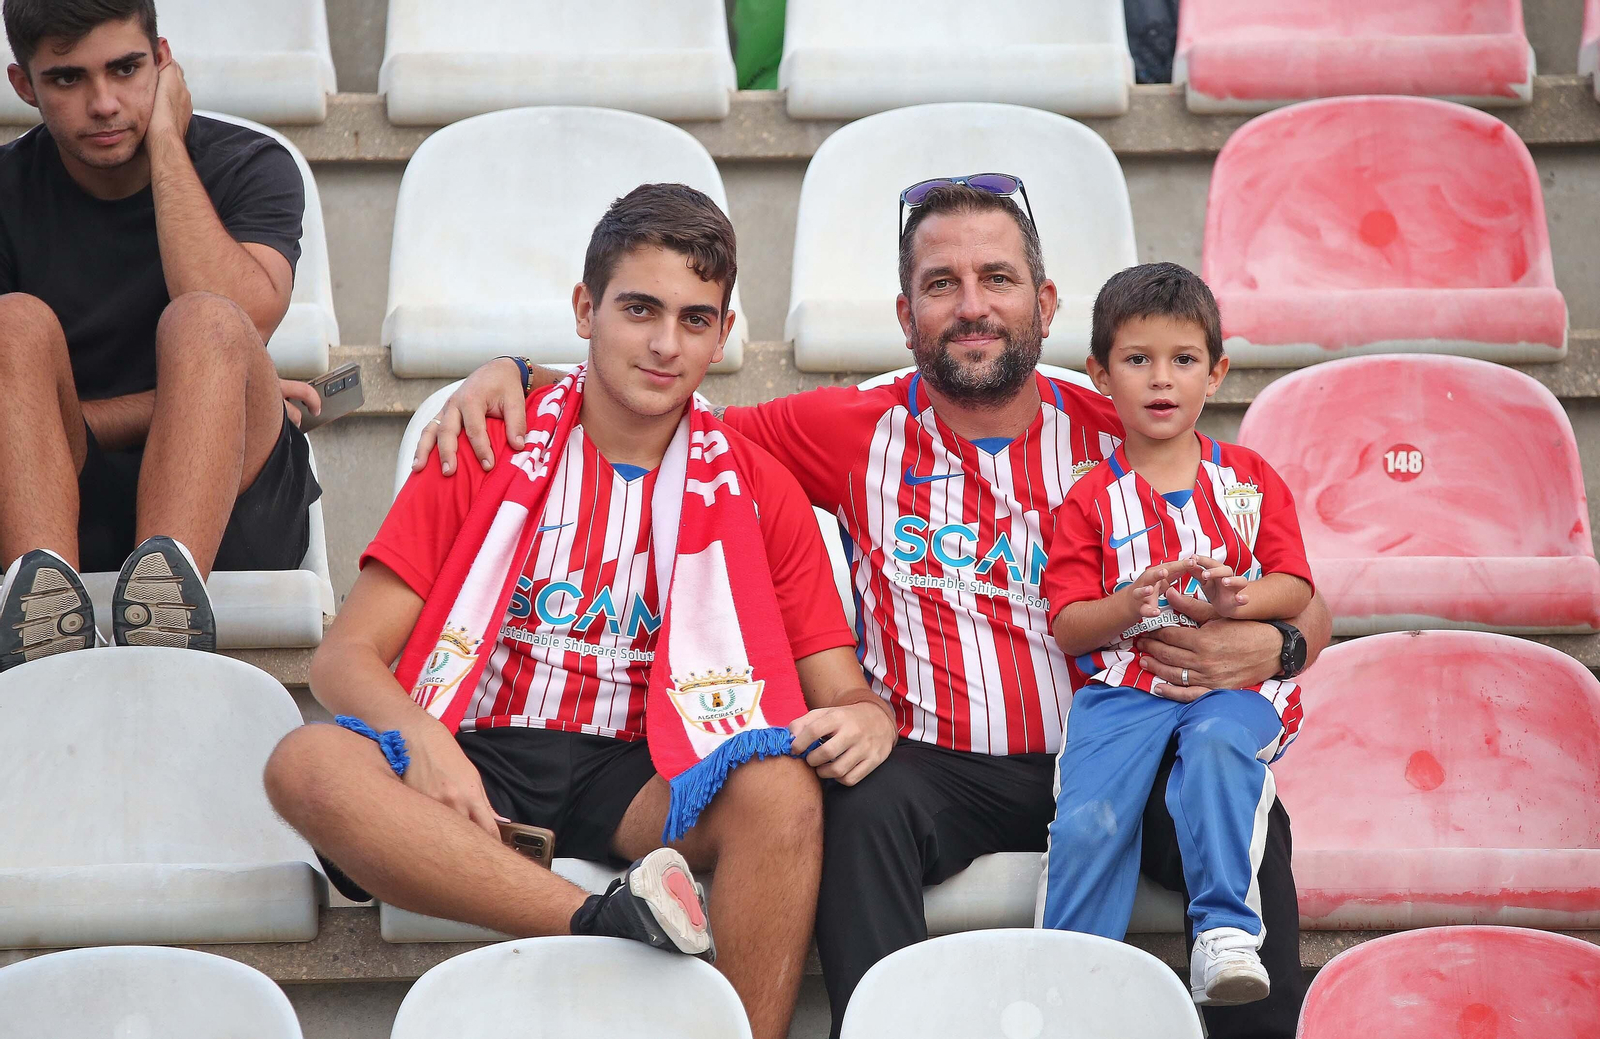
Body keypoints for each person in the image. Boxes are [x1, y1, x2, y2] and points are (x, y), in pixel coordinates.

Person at [415, 179, 1333, 1038]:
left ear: (1045, 304)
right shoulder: (851, 428)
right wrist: (523, 373)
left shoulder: (1129, 421)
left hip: (1121, 741)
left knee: (1243, 806)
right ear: (904, 316)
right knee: (855, 800)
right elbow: (667, 408)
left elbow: (1310, 601)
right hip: (936, 769)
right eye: (941, 284)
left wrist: (1279, 646)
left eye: (997, 278)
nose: (972, 306)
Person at [264, 184, 894, 1039]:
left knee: (783, 791)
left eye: (695, 320)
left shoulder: (756, 486)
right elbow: (345, 659)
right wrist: (427, 743)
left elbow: (841, 688)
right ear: (585, 309)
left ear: (722, 337)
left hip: (644, 770)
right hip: (480, 744)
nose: (666, 344)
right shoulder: (487, 440)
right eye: (640, 309)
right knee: (306, 763)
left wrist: (868, 716)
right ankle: (600, 919)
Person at [0, 0, 322, 666]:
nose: (104, 103)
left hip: (231, 506)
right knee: (12, 325)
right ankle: (43, 628)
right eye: (69, 78)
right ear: (24, 85)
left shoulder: (251, 163)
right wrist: (181, 400)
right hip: (53, 497)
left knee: (207, 322)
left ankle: (167, 617)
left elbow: (242, 313)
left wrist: (168, 144)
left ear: (163, 61)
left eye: (126, 69)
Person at [1039, 262, 1314, 1006]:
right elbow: (1068, 624)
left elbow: (1297, 584)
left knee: (1221, 751)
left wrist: (1239, 600)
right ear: (1101, 374)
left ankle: (1226, 933)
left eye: (1184, 359)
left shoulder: (1249, 480)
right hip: (1127, 690)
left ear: (1216, 372)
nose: (1162, 379)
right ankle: (1070, 976)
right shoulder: (1089, 498)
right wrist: (1127, 605)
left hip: (1233, 686)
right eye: (1138, 359)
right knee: (1090, 816)